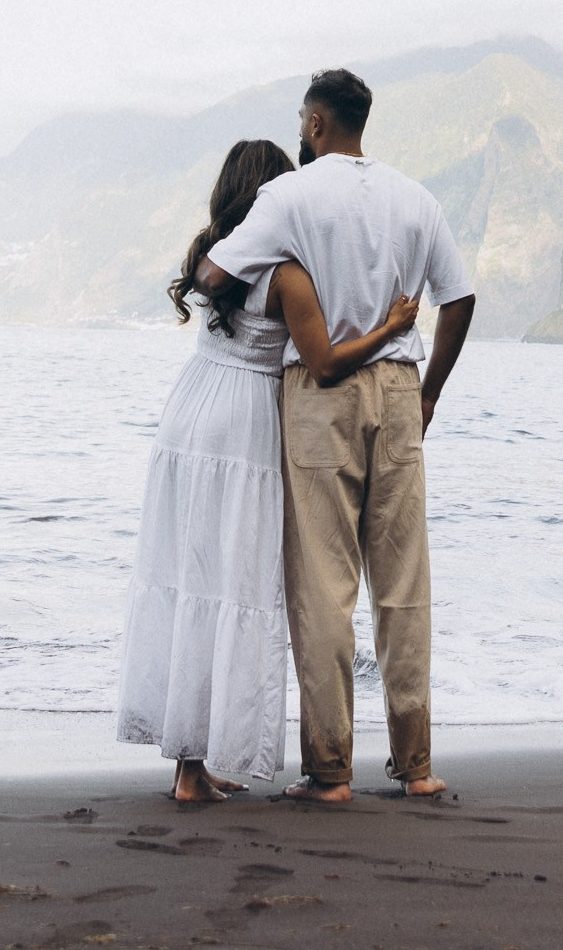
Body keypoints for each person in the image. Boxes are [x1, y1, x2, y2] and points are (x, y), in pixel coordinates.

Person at [200, 68, 475, 804]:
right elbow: (460, 296)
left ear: (317, 124)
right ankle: (416, 767)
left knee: (324, 587)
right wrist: (432, 390)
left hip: (320, 394)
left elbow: (217, 269)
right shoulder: (415, 198)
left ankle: (331, 772)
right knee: (403, 582)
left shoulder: (287, 196)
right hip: (397, 386)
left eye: (301, 119)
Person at [116, 136, 420, 803]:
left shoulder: (208, 255)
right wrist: (392, 327)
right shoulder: (285, 274)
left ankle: (191, 764)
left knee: (192, 580)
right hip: (247, 421)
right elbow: (326, 362)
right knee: (235, 585)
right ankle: (195, 770)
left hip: (191, 409)